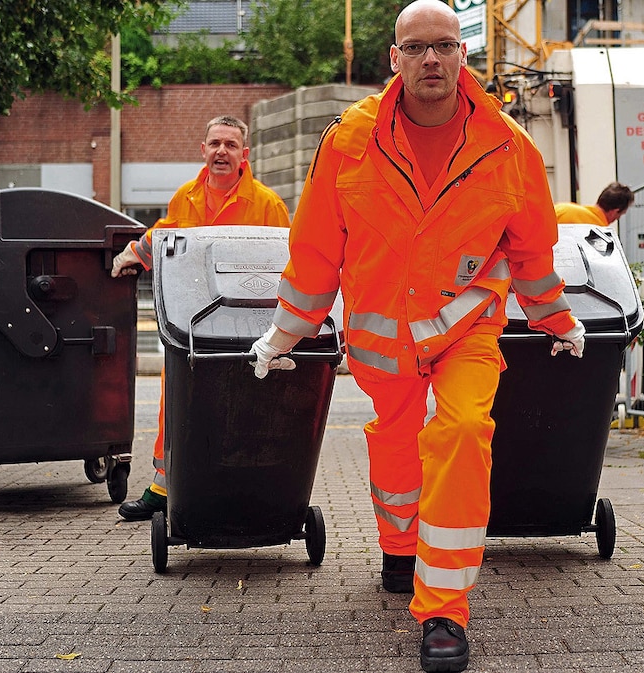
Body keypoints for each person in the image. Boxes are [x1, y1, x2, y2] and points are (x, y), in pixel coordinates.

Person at [248, 2, 585, 671]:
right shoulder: (348, 141)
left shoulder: (508, 146)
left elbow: (532, 256)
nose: (431, 59)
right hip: (384, 336)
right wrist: (284, 333)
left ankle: (444, 612)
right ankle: (401, 548)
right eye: (416, 47)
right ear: (394, 60)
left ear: (464, 57)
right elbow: (316, 252)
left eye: (444, 45)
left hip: (468, 328)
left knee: (461, 432)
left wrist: (557, 320)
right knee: (398, 445)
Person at [112, 115, 291, 521]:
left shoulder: (267, 205)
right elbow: (166, 235)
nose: (221, 152)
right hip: (191, 324)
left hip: (245, 329)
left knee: (242, 407)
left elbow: (288, 265)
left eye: (230, 145)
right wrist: (134, 256)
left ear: (245, 155)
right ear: (203, 150)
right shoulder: (186, 197)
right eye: (215, 144)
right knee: (174, 400)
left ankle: (241, 488)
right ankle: (163, 487)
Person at [554, 181, 634, 226]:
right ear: (615, 211)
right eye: (620, 215)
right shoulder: (599, 231)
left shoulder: (562, 208)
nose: (617, 219)